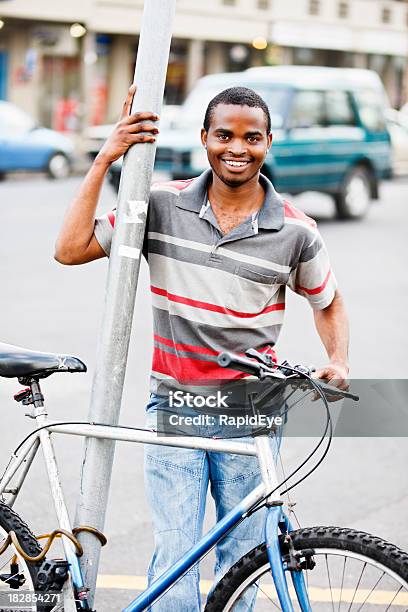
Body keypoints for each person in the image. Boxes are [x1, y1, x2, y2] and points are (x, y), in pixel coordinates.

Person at [55, 85, 349, 611]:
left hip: (251, 409)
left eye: (251, 137)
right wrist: (106, 158)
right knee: (178, 554)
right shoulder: (162, 204)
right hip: (175, 403)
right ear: (204, 139)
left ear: (268, 142)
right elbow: (70, 249)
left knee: (245, 555)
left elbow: (326, 301)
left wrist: (338, 360)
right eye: (225, 135)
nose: (237, 148)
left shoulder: (297, 231)